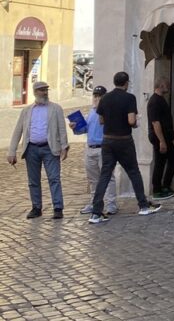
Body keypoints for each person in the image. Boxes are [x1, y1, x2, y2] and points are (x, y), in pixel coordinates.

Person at [88, 71, 161, 224]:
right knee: (134, 172)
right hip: (124, 140)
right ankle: (143, 205)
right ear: (126, 83)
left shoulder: (105, 98)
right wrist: (136, 122)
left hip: (107, 141)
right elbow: (131, 120)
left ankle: (96, 212)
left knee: (105, 175)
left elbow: (101, 120)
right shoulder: (129, 98)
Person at [7, 81, 69, 219]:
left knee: (54, 178)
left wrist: (64, 146)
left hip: (50, 148)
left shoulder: (55, 108)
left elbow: (62, 129)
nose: (45, 92)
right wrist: (12, 151)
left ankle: (58, 207)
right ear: (35, 92)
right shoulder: (27, 111)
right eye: (42, 90)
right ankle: (36, 207)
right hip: (31, 149)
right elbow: (18, 131)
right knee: (33, 180)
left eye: (46, 90)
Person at [71, 85, 118, 215]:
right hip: (90, 148)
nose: (97, 98)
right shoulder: (91, 112)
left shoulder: (108, 111)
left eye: (99, 96)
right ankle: (94, 202)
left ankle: (111, 204)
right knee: (93, 179)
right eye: (95, 96)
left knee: (108, 177)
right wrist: (75, 126)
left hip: (103, 148)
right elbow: (84, 129)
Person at [147, 77, 174, 199]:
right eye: (166, 84)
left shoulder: (160, 100)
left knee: (171, 160)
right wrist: (161, 141)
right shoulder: (155, 101)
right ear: (161, 85)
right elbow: (155, 123)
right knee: (162, 162)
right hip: (160, 138)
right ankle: (158, 189)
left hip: (165, 137)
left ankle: (165, 186)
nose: (168, 86)